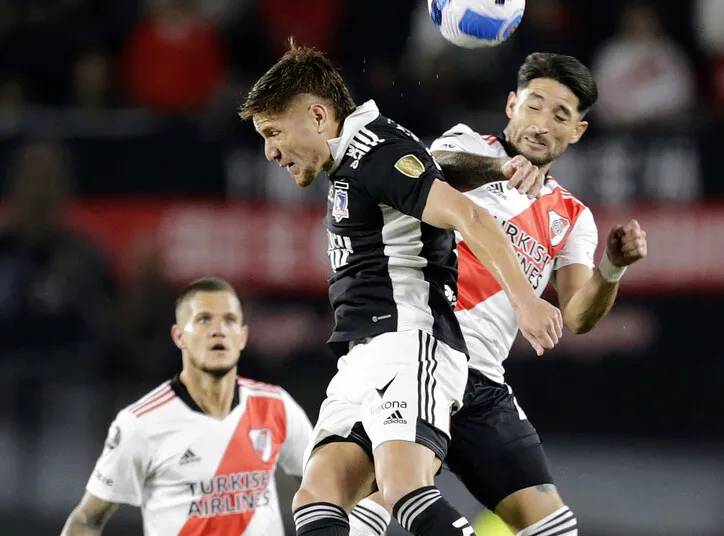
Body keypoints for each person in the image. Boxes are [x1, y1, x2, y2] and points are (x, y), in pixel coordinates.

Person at [238, 41, 563, 536]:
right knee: (317, 496)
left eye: (274, 131)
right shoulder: (353, 160)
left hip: (410, 340)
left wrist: (525, 299)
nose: (270, 150)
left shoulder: (377, 152)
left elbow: (469, 215)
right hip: (363, 356)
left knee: (403, 488)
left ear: (319, 115)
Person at [348, 52, 648, 536]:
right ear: (512, 105)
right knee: (387, 499)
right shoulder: (469, 145)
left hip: (482, 380)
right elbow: (432, 170)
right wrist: (499, 169)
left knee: (553, 527)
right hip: (418, 353)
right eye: (534, 105)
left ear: (578, 132)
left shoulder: (573, 217)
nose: (542, 123)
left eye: (560, 115)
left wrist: (612, 268)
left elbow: (577, 316)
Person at [60, 278, 314, 536]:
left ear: (243, 336)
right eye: (204, 319)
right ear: (179, 336)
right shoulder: (142, 423)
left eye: (229, 320)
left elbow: (327, 489)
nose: (219, 330)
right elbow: (86, 520)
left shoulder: (276, 406)